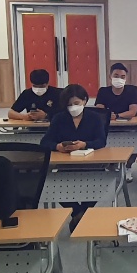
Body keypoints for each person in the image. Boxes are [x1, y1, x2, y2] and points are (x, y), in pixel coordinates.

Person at [41, 85, 107, 224]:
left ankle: (81, 214)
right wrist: (58, 146)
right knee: (54, 186)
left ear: (84, 101)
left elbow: (101, 141)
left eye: (76, 103)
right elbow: (45, 142)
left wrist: (84, 144)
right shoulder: (59, 118)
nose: (73, 107)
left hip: (91, 165)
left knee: (100, 183)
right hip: (66, 166)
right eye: (69, 105)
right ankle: (78, 213)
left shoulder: (95, 118)